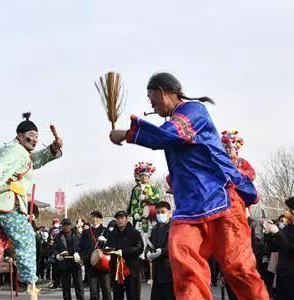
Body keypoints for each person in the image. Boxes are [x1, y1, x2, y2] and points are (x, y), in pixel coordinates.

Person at [109, 72, 268, 300]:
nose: (151, 105)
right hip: (190, 208)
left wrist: (127, 134)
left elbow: (170, 136)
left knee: (238, 268)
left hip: (220, 199)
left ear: (163, 92)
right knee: (184, 264)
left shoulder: (193, 111)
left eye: (152, 99)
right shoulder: (172, 122)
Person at [0, 112, 63, 299]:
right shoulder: (14, 151)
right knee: (25, 235)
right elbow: (1, 166)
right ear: (19, 135)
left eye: (37, 137)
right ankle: (27, 279)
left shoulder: (20, 152)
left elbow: (34, 161)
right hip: (4, 202)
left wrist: (52, 149)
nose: (34, 140)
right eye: (31, 136)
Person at [107, 211, 143, 300]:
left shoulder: (134, 233)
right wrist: (107, 248)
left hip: (131, 270)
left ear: (126, 219)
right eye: (117, 218)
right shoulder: (112, 234)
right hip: (116, 271)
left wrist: (124, 251)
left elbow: (139, 248)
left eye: (122, 218)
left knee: (133, 295)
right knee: (117, 296)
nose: (119, 220)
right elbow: (108, 245)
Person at [263, 197, 294, 300]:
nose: (284, 211)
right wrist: (268, 233)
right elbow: (275, 247)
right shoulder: (287, 228)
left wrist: (278, 233)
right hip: (281, 273)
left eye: (286, 209)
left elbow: (290, 249)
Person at [78, 211, 111, 300]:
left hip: (103, 264)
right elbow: (81, 246)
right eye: (93, 217)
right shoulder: (86, 232)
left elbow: (111, 245)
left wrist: (106, 243)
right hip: (91, 264)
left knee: (106, 290)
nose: (95, 219)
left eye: (97, 218)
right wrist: (78, 254)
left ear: (101, 220)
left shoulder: (105, 230)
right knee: (93, 292)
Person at [145, 201, 174, 300]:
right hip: (156, 273)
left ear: (169, 213)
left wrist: (163, 251)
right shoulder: (155, 228)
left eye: (163, 212)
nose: (160, 215)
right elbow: (149, 244)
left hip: (169, 272)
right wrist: (147, 253)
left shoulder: (174, 226)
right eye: (158, 212)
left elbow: (177, 247)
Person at [54, 219, 84, 300]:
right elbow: (54, 248)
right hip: (64, 264)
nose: (66, 226)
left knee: (79, 286)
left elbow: (82, 247)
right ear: (62, 225)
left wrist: (78, 253)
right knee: (66, 287)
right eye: (64, 225)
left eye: (68, 225)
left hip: (75, 262)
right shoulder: (58, 236)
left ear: (70, 225)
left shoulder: (78, 235)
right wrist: (57, 255)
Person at [127, 162, 160, 234]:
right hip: (140, 215)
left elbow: (158, 199)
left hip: (152, 214)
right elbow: (133, 203)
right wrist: (135, 213)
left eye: (145, 176)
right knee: (141, 235)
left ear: (148, 177)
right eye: (141, 176)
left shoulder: (153, 187)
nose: (143, 177)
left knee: (153, 233)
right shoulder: (136, 189)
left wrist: (147, 198)